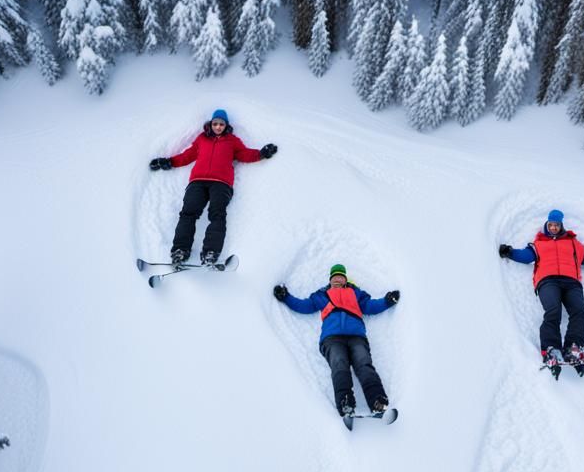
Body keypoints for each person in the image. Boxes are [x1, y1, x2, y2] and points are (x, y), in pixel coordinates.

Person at [149, 109, 277, 266]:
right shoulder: (202, 139)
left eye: (221, 124)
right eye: (215, 123)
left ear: (226, 125)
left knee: (217, 215)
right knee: (188, 214)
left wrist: (261, 154)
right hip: (197, 181)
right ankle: (180, 251)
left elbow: (244, 154)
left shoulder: (232, 141)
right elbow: (187, 155)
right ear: (211, 124)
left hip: (221, 184)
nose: (218, 127)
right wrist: (168, 162)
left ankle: (211, 252)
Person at [498, 209, 584, 376]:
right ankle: (551, 349)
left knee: (580, 311)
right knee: (553, 310)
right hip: (547, 281)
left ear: (561, 226)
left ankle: (572, 348)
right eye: (551, 225)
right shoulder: (538, 244)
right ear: (547, 224)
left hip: (572, 283)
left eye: (556, 225)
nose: (553, 227)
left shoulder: (574, 244)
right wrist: (510, 252)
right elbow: (525, 256)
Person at [273, 264, 400, 417]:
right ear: (330, 280)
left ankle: (377, 401)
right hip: (332, 338)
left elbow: (370, 306)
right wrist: (286, 297)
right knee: (339, 364)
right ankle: (345, 403)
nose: (337, 279)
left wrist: (387, 301)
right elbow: (304, 306)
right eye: (334, 277)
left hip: (356, 336)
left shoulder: (356, 293)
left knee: (364, 364)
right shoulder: (322, 295)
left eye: (340, 276)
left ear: (345, 279)